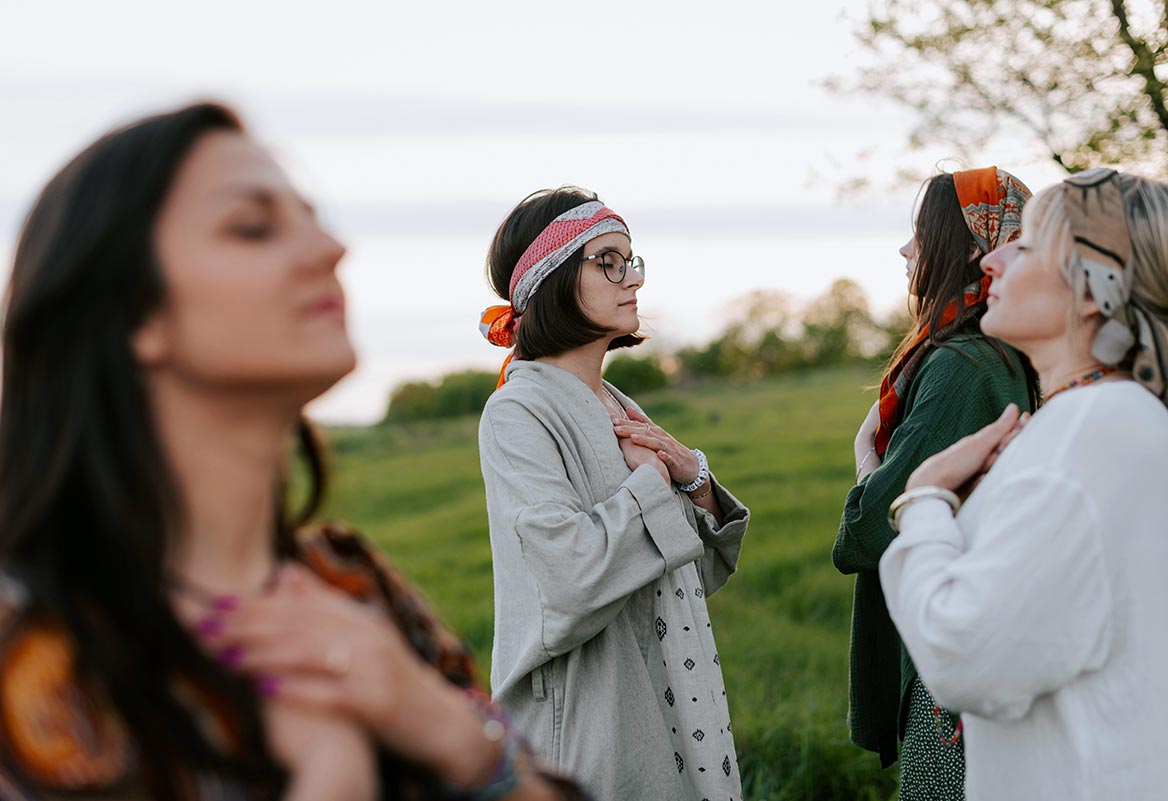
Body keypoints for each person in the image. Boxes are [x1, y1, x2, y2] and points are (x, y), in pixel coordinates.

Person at [0, 102, 583, 801]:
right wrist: (333, 778)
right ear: (134, 315)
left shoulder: (354, 585)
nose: (332, 249)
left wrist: (451, 736)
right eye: (253, 226)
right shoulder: (30, 650)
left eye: (311, 218)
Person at [880, 168, 1168, 801]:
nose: (992, 259)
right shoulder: (1106, 417)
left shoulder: (1089, 432)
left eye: (1024, 245)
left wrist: (924, 500)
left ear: (1089, 290)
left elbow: (962, 658)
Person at [477, 187, 750, 801]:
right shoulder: (517, 412)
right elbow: (570, 576)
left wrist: (695, 480)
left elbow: (688, 577)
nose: (632, 279)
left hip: (679, 697)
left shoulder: (621, 406)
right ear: (549, 279)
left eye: (632, 260)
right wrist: (653, 481)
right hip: (593, 716)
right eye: (608, 261)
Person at [832, 167, 1037, 799]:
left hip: (950, 665)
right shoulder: (1008, 354)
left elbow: (868, 533)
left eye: (920, 235)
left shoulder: (960, 366)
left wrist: (868, 453)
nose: (906, 251)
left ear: (974, 248)